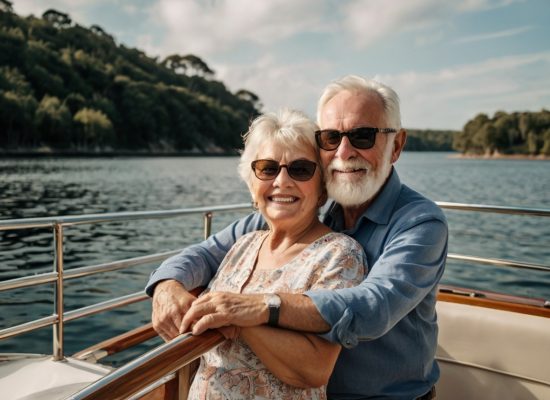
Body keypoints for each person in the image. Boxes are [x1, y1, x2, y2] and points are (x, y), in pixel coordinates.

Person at [146, 75, 448, 400]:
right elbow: (204, 254)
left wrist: (260, 307)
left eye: (363, 136)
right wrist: (167, 285)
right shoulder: (303, 210)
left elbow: (372, 308)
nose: (344, 151)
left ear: (397, 145)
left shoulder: (420, 223)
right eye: (331, 137)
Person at [184, 108, 366, 399]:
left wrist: (240, 320)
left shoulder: (339, 255)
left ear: (322, 189)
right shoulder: (244, 245)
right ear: (252, 183)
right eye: (268, 169)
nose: (282, 181)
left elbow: (313, 369)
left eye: (301, 169)